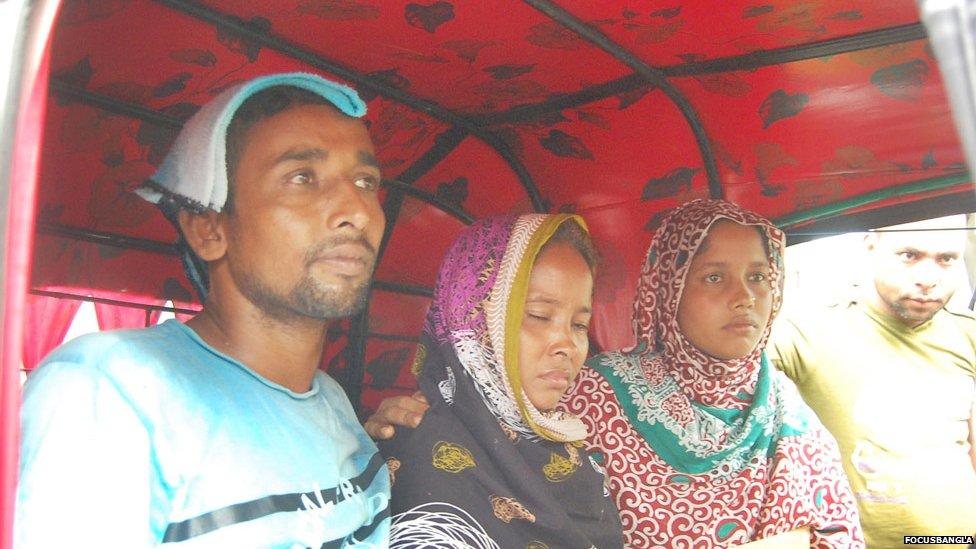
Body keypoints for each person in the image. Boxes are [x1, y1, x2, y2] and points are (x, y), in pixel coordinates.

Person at [16, 73, 391, 547]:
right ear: (209, 230)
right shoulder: (111, 388)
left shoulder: (330, 399)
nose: (357, 209)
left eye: (366, 180)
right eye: (302, 178)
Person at [368, 199, 863, 547]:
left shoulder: (783, 406)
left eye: (759, 277)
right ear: (666, 289)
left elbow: (835, 529)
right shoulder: (591, 398)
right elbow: (483, 404)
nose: (745, 297)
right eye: (715, 276)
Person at [380, 213, 623, 548]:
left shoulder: (565, 453)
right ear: (475, 321)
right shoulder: (426, 461)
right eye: (539, 316)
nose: (567, 345)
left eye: (579, 324)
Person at [769, 217, 976, 547]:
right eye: (909, 255)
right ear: (870, 245)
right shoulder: (808, 330)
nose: (927, 278)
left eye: (945, 259)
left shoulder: (966, 333)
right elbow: (720, 375)